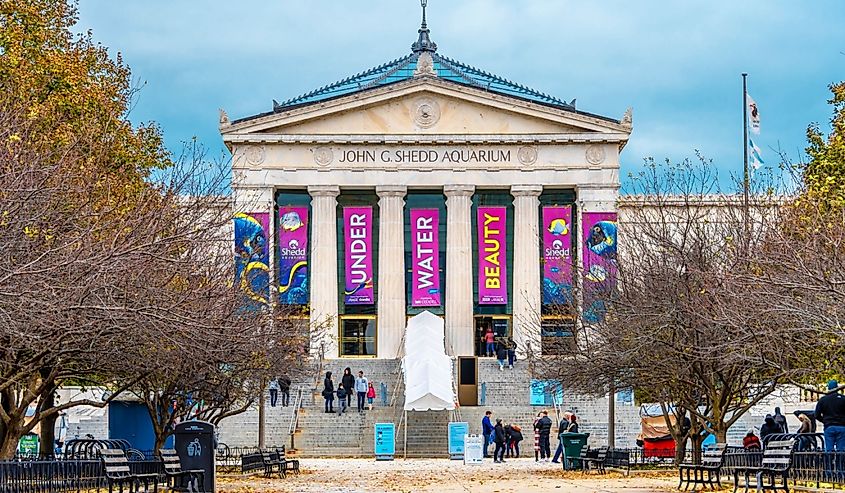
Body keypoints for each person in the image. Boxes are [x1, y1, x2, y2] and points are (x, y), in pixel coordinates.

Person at [816, 380, 845, 452]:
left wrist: (824, 421)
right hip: (841, 427)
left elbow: (817, 415)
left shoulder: (823, 400)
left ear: (828, 388)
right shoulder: (843, 399)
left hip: (829, 426)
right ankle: (840, 459)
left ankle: (829, 459)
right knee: (841, 450)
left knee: (829, 450)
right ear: (837, 388)